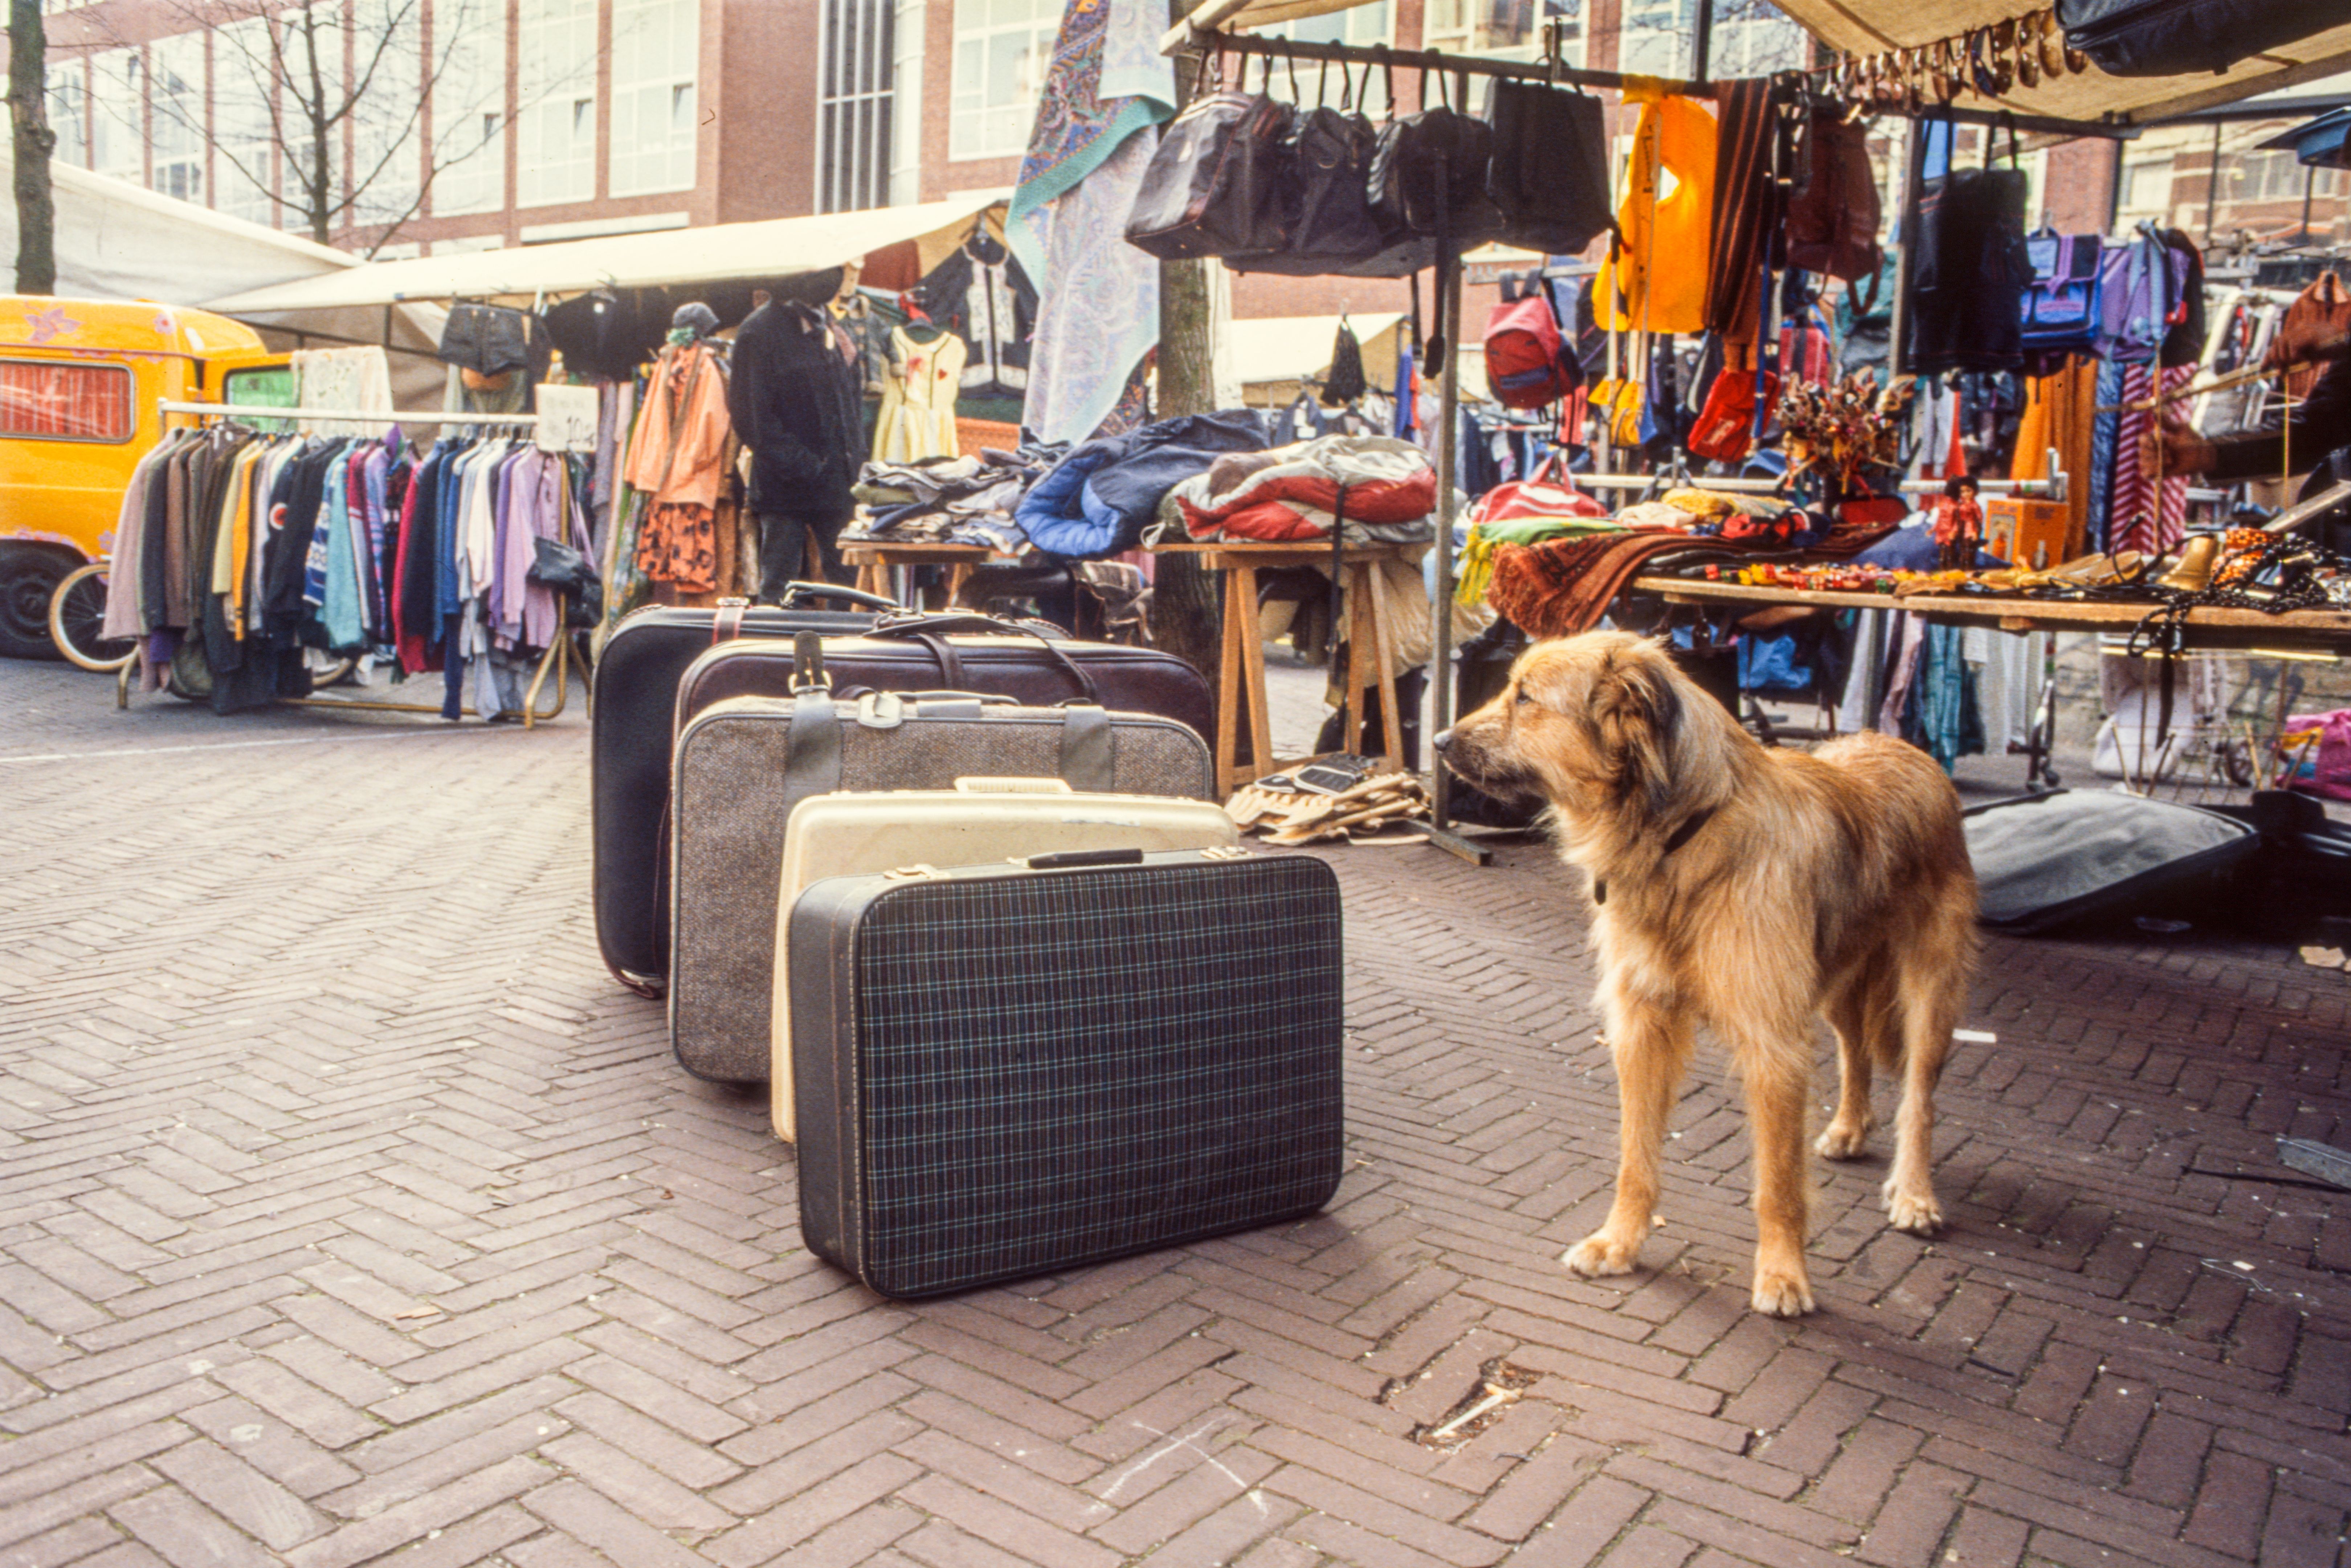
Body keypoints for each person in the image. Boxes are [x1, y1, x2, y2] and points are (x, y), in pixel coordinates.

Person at [727, 270, 866, 599]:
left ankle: (840, 650)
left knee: (847, 585)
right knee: (780, 585)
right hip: (786, 486)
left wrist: (854, 459)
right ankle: (775, 650)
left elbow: (850, 400)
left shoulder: (830, 326)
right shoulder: (759, 330)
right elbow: (750, 416)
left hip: (838, 483)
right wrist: (803, 464)